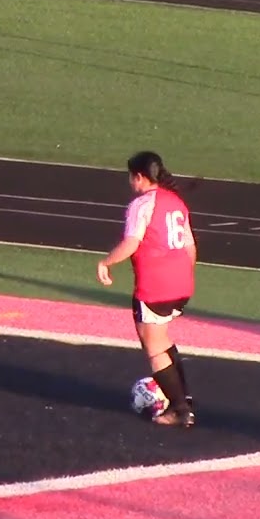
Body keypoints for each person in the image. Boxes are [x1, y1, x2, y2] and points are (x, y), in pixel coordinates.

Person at [96, 150, 198, 428]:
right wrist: (184, 274)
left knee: (153, 348)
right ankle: (183, 399)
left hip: (155, 285)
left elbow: (132, 242)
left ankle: (179, 410)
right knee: (162, 339)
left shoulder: (142, 204)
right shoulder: (176, 202)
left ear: (139, 177)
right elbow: (190, 247)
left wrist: (107, 262)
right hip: (181, 283)